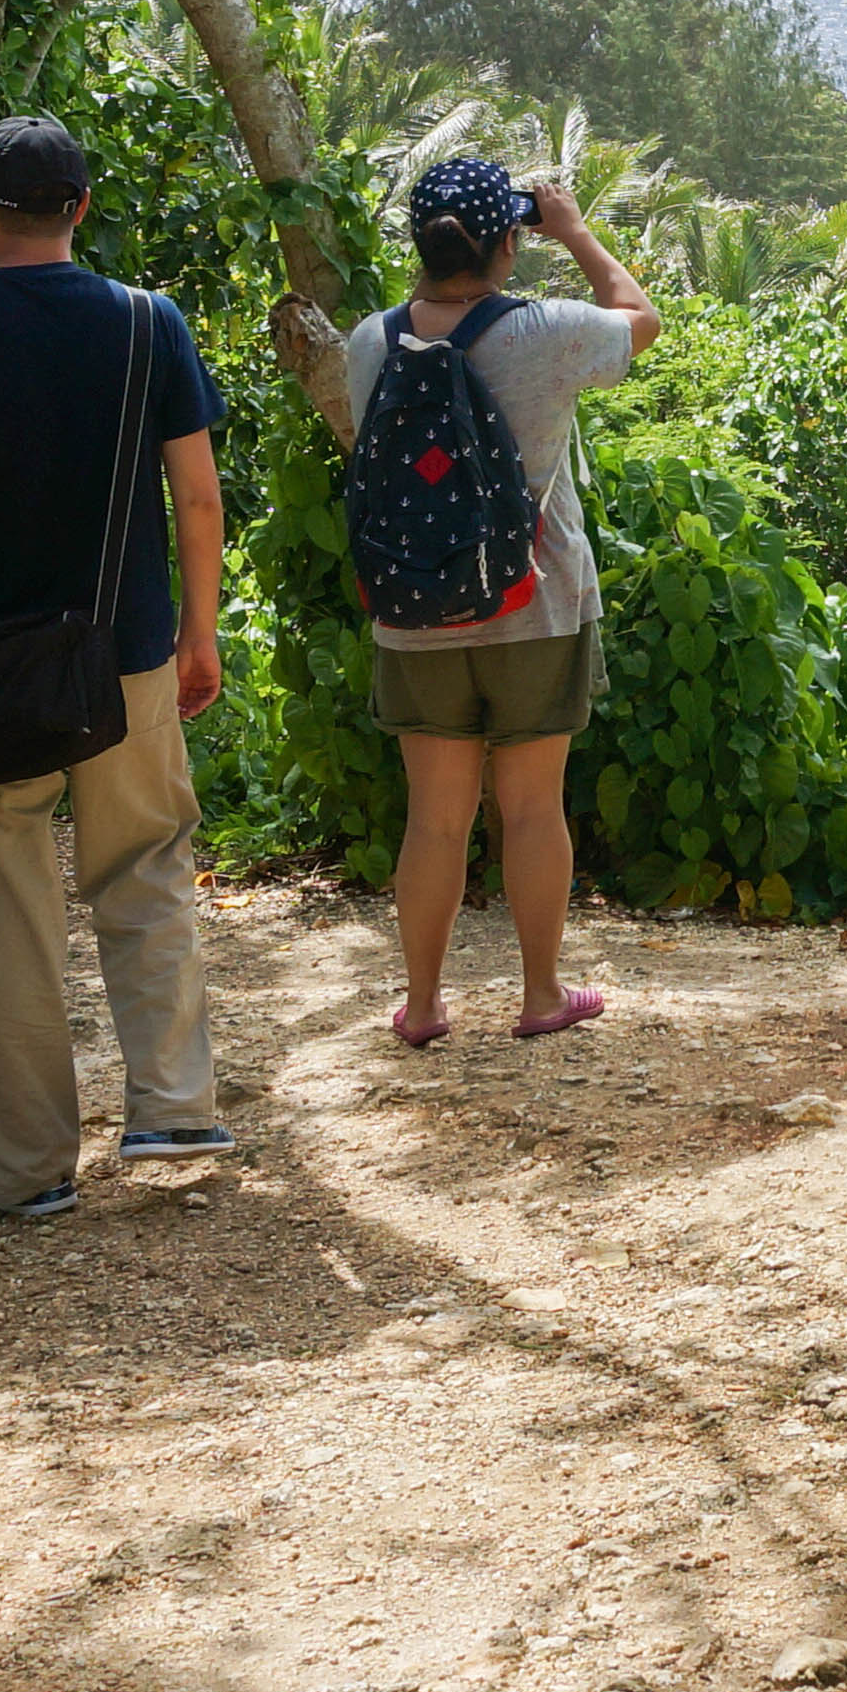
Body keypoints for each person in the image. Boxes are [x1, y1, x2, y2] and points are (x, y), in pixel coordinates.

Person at [0, 115, 235, 1217]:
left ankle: (20, 1172)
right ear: (81, 209)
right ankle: (170, 1105)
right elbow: (196, 495)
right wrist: (197, 632)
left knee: (6, 916)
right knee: (148, 863)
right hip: (127, 655)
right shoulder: (146, 324)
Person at [343, 154, 660, 1047]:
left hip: (412, 608)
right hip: (537, 603)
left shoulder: (371, 342)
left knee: (434, 816)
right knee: (531, 805)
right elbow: (642, 320)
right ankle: (540, 994)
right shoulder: (548, 331)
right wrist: (577, 230)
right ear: (508, 239)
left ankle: (426, 1003)